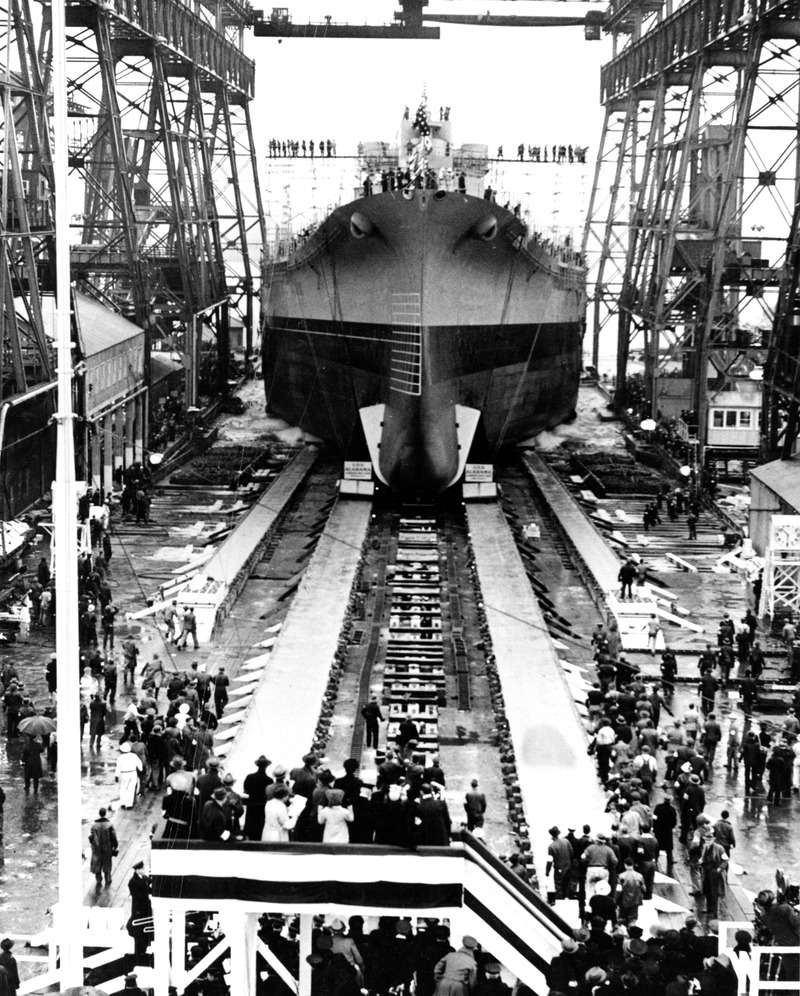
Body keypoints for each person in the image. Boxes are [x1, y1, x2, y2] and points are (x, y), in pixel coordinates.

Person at [242, 755, 272, 841]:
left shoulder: (249, 777)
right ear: (266, 766)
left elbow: (246, 791)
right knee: (259, 827)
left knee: (250, 827)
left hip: (251, 805)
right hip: (262, 806)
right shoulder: (269, 780)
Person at [127, 861, 152, 962]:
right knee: (139, 933)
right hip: (139, 910)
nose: (144, 870)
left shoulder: (144, 878)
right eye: (142, 869)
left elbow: (148, 882)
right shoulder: (133, 882)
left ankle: (143, 949)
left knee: (144, 933)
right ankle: (139, 954)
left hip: (145, 909)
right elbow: (138, 896)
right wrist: (148, 895)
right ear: (137, 870)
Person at [89, 807, 118, 892]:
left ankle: (98, 880)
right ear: (105, 813)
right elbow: (113, 837)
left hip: (97, 849)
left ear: (99, 814)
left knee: (97, 864)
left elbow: (91, 838)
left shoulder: (94, 826)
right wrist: (115, 845)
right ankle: (108, 879)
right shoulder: (109, 825)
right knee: (107, 864)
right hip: (107, 848)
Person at [616, 858, 646, 925]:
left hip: (623, 902)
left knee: (622, 920)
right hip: (635, 902)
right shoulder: (640, 876)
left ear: (625, 865)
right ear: (633, 865)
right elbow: (644, 889)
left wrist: (615, 900)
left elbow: (618, 890)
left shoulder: (621, 876)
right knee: (632, 921)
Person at [546, 826, 573, 900]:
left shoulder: (551, 847)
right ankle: (567, 898)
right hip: (568, 867)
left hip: (559, 869)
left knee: (558, 887)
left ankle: (560, 901)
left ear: (551, 835)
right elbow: (571, 853)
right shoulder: (566, 841)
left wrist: (547, 871)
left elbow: (550, 860)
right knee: (567, 885)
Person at [116, 742, 143, 809]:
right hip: (133, 773)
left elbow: (118, 767)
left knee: (123, 788)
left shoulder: (120, 757)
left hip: (124, 774)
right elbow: (139, 764)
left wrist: (116, 776)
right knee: (131, 789)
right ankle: (129, 804)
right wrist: (141, 769)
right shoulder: (134, 756)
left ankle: (123, 803)